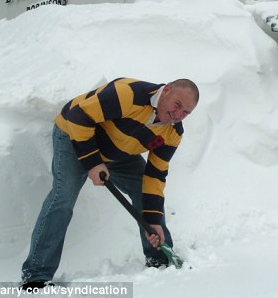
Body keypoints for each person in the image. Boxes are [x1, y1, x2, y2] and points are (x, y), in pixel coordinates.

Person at [20, 77, 199, 289]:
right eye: (177, 105)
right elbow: (79, 115)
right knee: (63, 197)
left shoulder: (173, 132)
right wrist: (93, 162)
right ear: (167, 90)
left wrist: (152, 220)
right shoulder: (128, 94)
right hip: (75, 135)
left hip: (119, 152)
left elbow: (155, 176)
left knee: (144, 192)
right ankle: (36, 277)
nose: (178, 115)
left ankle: (160, 259)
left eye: (186, 113)